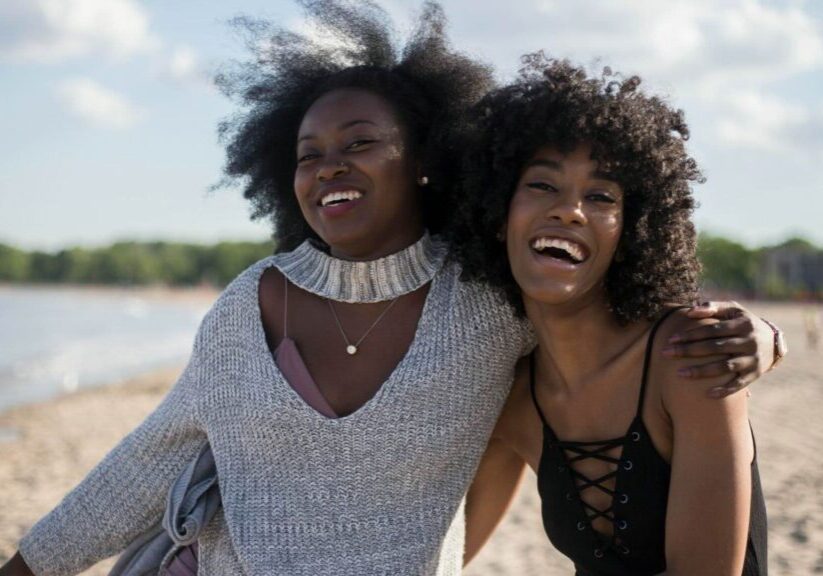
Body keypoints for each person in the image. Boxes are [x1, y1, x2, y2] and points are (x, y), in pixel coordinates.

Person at [1, 3, 778, 576]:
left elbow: (599, 317)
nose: (329, 166)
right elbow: (145, 464)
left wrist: (763, 338)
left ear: (426, 162)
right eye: (308, 154)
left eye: (361, 142)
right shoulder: (247, 304)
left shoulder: (487, 302)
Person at [455, 57, 768, 574]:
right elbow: (442, 552)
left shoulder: (689, 356)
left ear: (631, 231)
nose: (569, 210)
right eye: (542, 185)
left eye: (600, 196)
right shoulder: (512, 397)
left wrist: (769, 336)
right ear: (496, 214)